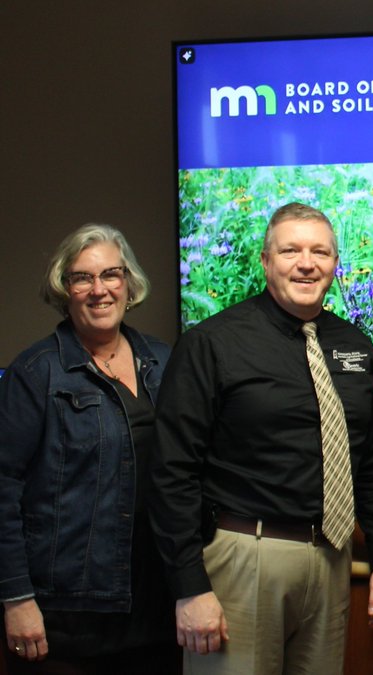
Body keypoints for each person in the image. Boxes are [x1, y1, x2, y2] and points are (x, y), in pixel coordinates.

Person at [149, 203, 373, 674]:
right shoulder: (212, 343)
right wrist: (189, 585)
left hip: (331, 562)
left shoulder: (354, 345)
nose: (306, 263)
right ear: (266, 261)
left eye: (320, 251)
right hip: (243, 559)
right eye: (291, 250)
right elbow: (172, 471)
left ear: (334, 264)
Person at [0, 224, 178, 673]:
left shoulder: (164, 361)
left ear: (129, 283)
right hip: (67, 617)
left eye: (111, 275)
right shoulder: (36, 372)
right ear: (65, 289)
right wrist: (16, 598)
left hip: (156, 607)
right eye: (82, 278)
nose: (99, 290)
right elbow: (2, 492)